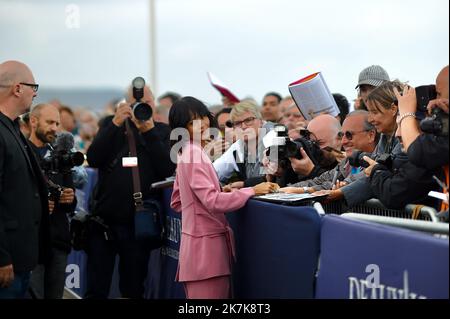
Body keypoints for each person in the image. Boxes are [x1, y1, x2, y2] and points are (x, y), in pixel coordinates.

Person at [169, 96, 277, 299]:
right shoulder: (195, 153)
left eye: (202, 118)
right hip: (206, 252)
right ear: (182, 128)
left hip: (196, 250)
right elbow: (212, 201)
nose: (201, 125)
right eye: (192, 122)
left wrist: (211, 194)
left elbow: (177, 199)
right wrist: (252, 190)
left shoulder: (187, 152)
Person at [85, 83, 175, 298]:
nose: (142, 107)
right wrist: (116, 122)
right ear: (126, 104)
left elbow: (167, 169)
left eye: (147, 102)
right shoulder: (111, 124)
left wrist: (150, 132)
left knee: (133, 288)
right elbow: (94, 158)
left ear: (154, 103)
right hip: (104, 220)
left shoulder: (163, 131)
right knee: (96, 286)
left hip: (137, 223)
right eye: (137, 104)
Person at [0, 60, 50, 299]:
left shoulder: (13, 128)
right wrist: (1, 258)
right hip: (6, 264)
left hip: (21, 259)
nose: (35, 93)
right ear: (17, 88)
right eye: (33, 87)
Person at [27, 103, 78, 299]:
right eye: (49, 122)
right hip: (32, 244)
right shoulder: (22, 152)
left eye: (57, 123)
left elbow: (70, 203)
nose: (54, 128)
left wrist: (69, 197)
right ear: (33, 121)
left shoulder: (60, 156)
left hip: (58, 242)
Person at [281, 110, 378, 193]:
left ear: (371, 135)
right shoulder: (348, 162)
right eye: (342, 135)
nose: (344, 141)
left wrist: (311, 173)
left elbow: (342, 185)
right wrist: (279, 190)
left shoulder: (379, 161)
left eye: (349, 135)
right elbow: (320, 181)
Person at [213, 101, 275, 188]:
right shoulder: (238, 146)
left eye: (248, 120)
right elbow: (213, 173)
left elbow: (274, 177)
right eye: (238, 123)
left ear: (261, 121)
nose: (243, 126)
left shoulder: (274, 135)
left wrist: (244, 184)